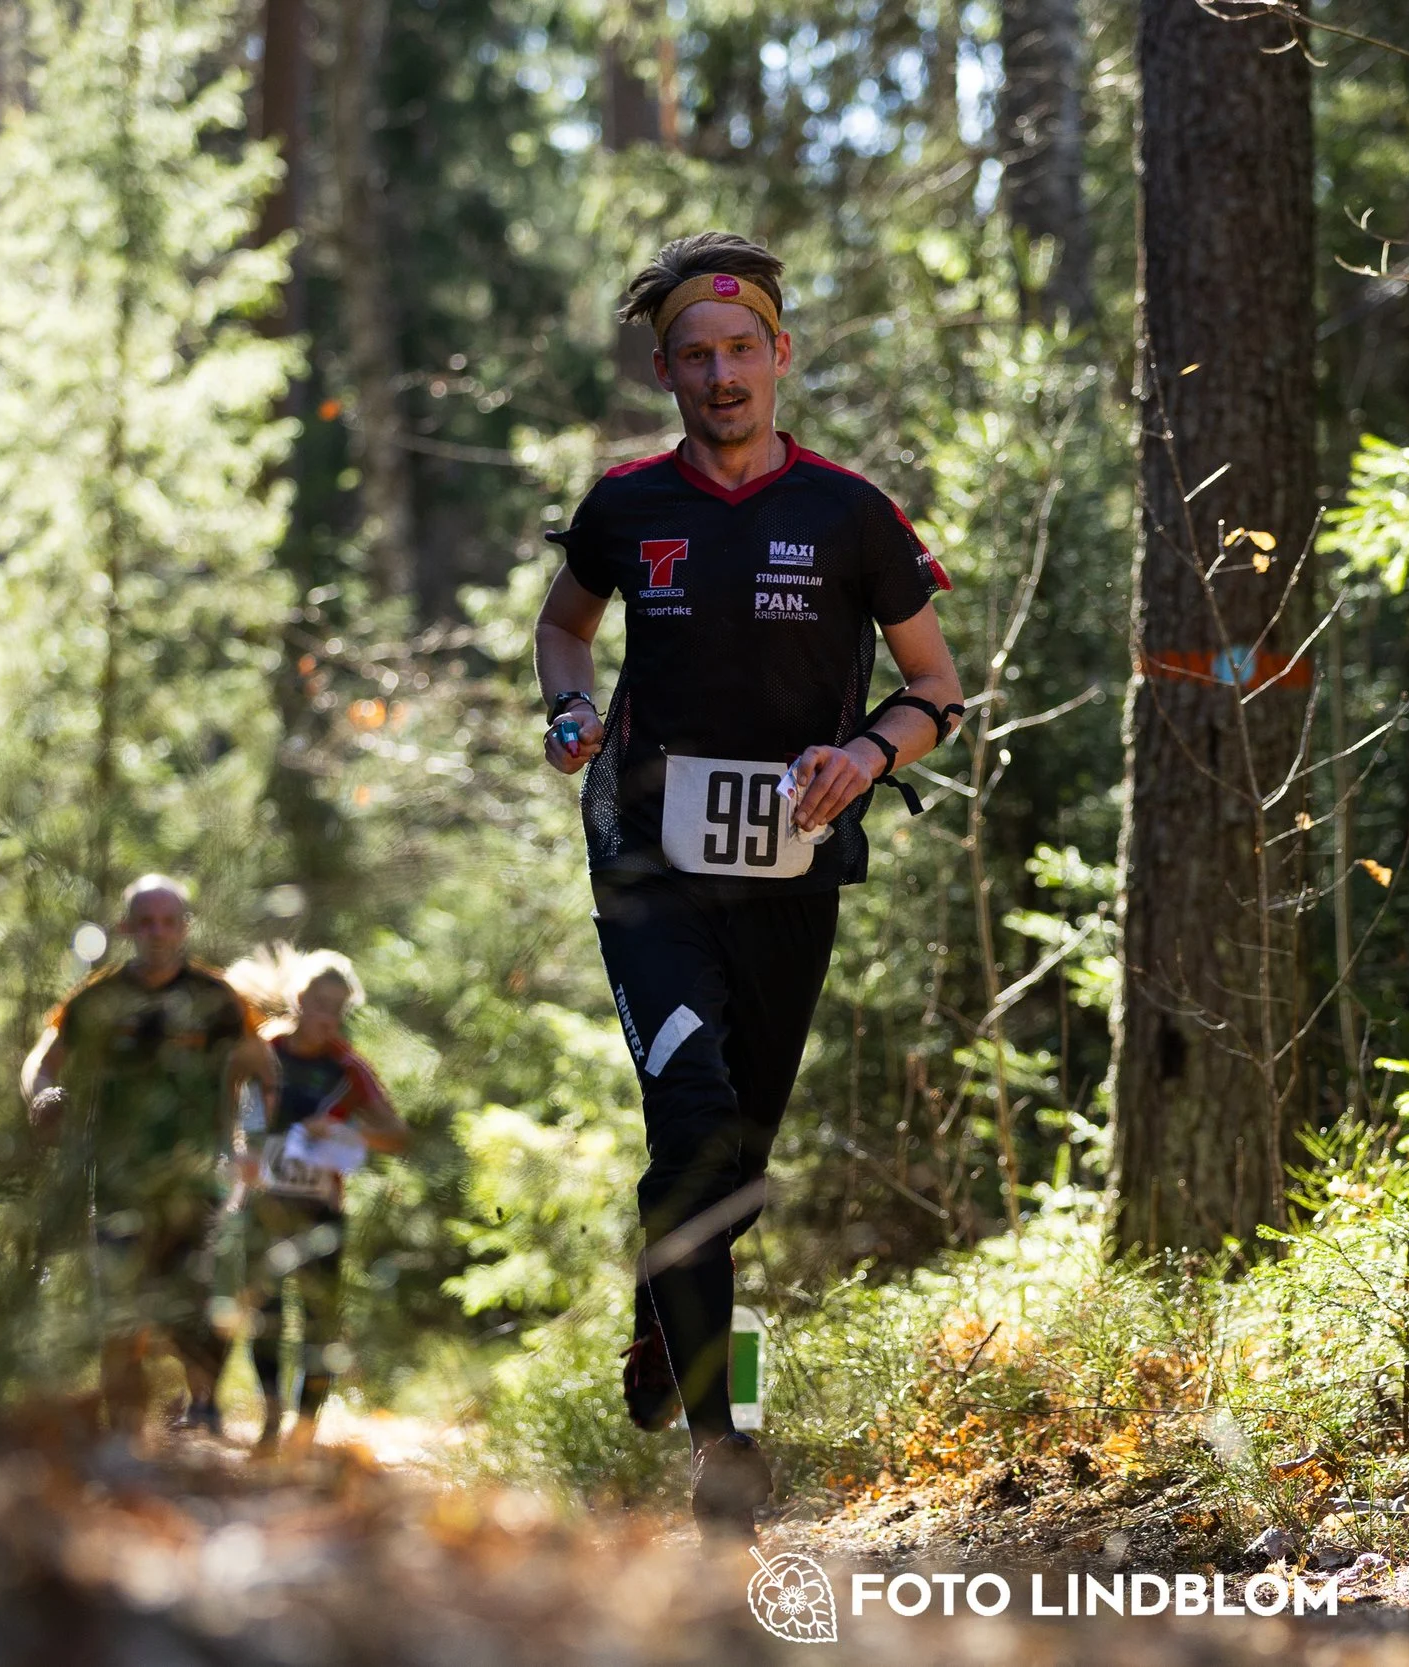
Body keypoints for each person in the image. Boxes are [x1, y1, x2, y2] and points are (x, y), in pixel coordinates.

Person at [534, 230, 964, 1534]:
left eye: (742, 351)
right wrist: (568, 712)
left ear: (780, 356)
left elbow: (937, 686)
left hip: (792, 872)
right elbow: (566, 622)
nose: (721, 376)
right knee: (697, 1115)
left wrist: (865, 750)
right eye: (695, 356)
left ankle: (666, 1316)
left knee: (735, 1167)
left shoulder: (851, 512)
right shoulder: (625, 504)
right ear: (664, 368)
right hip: (649, 865)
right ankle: (730, 1441)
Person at [23, 874, 269, 1439]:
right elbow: (44, 1060)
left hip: (199, 1178)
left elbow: (260, 1070)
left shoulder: (217, 999)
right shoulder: (98, 998)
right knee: (119, 1302)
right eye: (146, 921)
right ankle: (125, 1427)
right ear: (129, 928)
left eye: (169, 920)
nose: (158, 932)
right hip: (116, 1180)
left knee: (201, 1297)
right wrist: (44, 1095)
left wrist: (254, 1146)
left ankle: (202, 1410)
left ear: (185, 927)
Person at [222, 946, 410, 1458]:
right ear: (299, 999)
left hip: (321, 1209)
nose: (328, 1017)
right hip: (261, 1202)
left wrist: (346, 1132)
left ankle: (303, 1433)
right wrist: (237, 1150)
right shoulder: (263, 1050)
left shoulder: (348, 1069)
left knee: (319, 1323)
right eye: (320, 1003)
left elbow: (397, 1132)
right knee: (262, 1315)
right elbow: (222, 1102)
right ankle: (269, 1415)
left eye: (338, 1008)